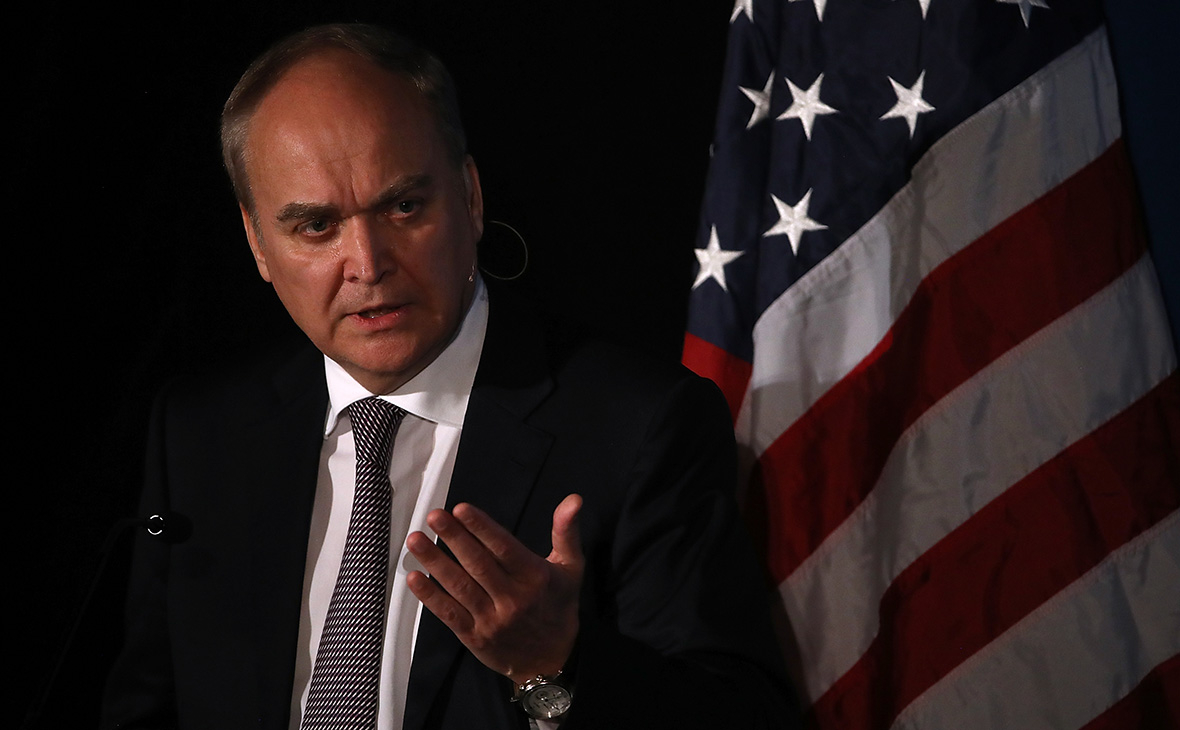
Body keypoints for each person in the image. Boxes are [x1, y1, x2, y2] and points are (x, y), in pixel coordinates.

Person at [101, 23, 796, 730]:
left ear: (469, 196)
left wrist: (556, 664)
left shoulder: (640, 427)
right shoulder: (204, 433)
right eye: (316, 227)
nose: (368, 264)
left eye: (403, 207)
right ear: (257, 242)